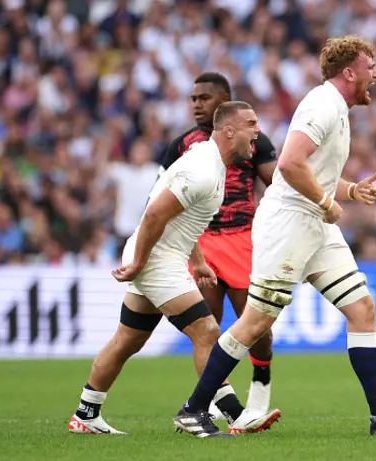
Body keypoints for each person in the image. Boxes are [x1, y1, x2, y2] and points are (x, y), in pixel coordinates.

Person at [177, 36, 376, 436]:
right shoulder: (322, 105)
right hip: (290, 224)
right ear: (349, 72)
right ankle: (193, 408)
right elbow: (288, 163)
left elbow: (312, 171)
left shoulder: (335, 107)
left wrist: (348, 192)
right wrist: (324, 198)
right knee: (255, 323)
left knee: (362, 308)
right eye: (371, 67)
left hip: (314, 224)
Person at [68, 101, 280, 438]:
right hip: (155, 258)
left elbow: (182, 216)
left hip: (159, 254)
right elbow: (155, 214)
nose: (258, 131)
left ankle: (86, 414)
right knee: (207, 331)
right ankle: (224, 414)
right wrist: (139, 262)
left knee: (128, 339)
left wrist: (196, 260)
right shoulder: (204, 168)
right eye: (251, 123)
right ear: (228, 130)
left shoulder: (213, 162)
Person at [159, 72, 278, 422]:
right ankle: (214, 403)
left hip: (243, 240)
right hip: (202, 242)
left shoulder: (255, 141)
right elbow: (161, 193)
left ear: (224, 100)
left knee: (257, 326)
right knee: (206, 327)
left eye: (204, 98)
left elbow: (277, 184)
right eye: (193, 99)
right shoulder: (181, 145)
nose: (197, 104)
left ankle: (262, 375)